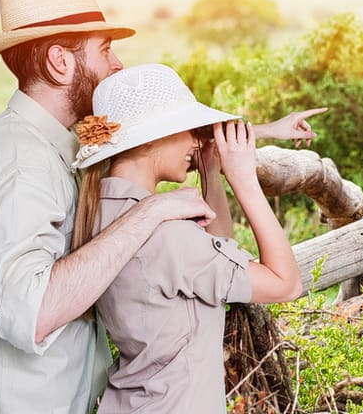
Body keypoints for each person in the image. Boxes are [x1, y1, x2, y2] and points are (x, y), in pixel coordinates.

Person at [0, 0, 322, 413]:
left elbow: (132, 134)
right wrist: (152, 211)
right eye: (105, 48)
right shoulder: (21, 166)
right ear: (59, 62)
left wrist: (262, 131)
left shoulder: (57, 139)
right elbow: (31, 314)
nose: (117, 63)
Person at [72, 63, 302, 412]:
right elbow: (286, 284)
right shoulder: (164, 233)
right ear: (152, 138)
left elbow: (215, 250)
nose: (196, 140)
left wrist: (210, 169)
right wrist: (244, 181)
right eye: (186, 130)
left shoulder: (100, 212)